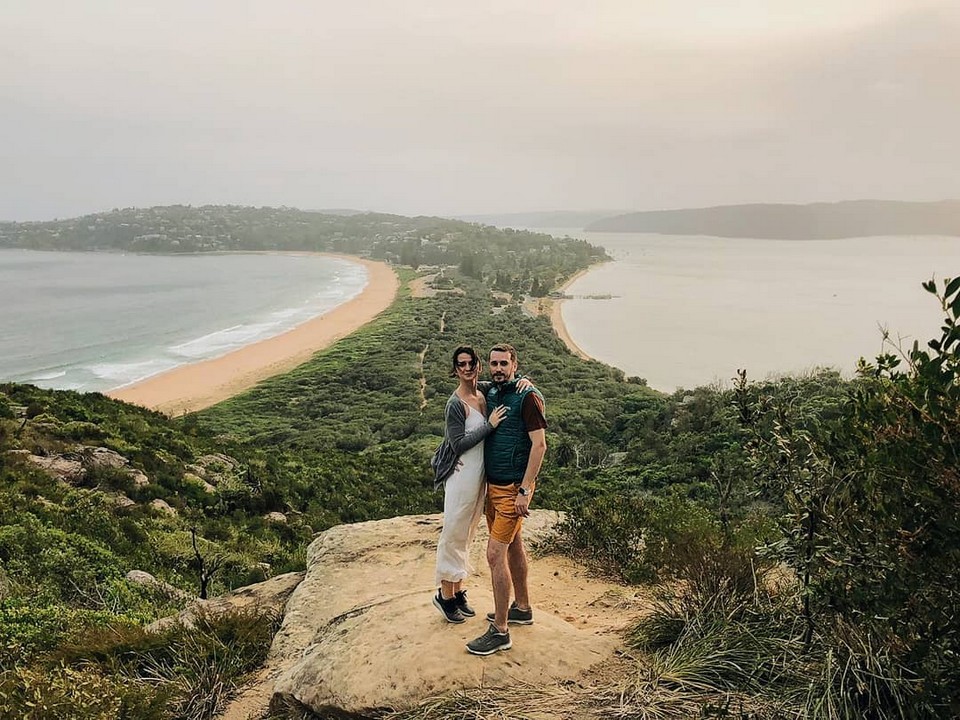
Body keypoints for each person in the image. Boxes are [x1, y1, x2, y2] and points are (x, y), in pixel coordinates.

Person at [466, 343, 547, 656]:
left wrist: (525, 490)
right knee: (513, 546)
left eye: (504, 363)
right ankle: (522, 608)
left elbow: (539, 446)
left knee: (493, 555)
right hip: (494, 487)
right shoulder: (493, 391)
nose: (498, 369)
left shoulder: (528, 397)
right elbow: (469, 384)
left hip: (514, 489)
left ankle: (500, 631)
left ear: (515, 364)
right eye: (494, 363)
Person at [430, 346, 508, 624]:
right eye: (461, 364)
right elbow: (458, 444)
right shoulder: (455, 403)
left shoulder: (483, 392)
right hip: (462, 475)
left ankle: (458, 590)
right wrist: (490, 425)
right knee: (454, 531)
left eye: (471, 363)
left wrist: (524, 381)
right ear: (455, 369)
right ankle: (444, 595)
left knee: (469, 532)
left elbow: (507, 381)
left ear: (478, 366)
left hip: (479, 475)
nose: (466, 368)